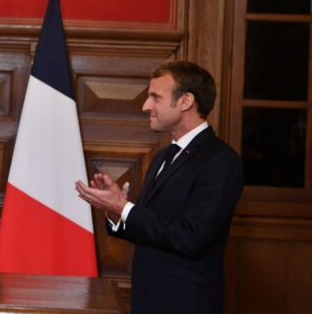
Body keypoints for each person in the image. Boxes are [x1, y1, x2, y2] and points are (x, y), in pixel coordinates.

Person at [75, 60, 243, 314]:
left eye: (155, 97)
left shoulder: (221, 160)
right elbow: (150, 227)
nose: (146, 106)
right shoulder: (163, 156)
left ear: (185, 101)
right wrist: (115, 210)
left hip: (186, 304)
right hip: (148, 299)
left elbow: (191, 237)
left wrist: (126, 208)